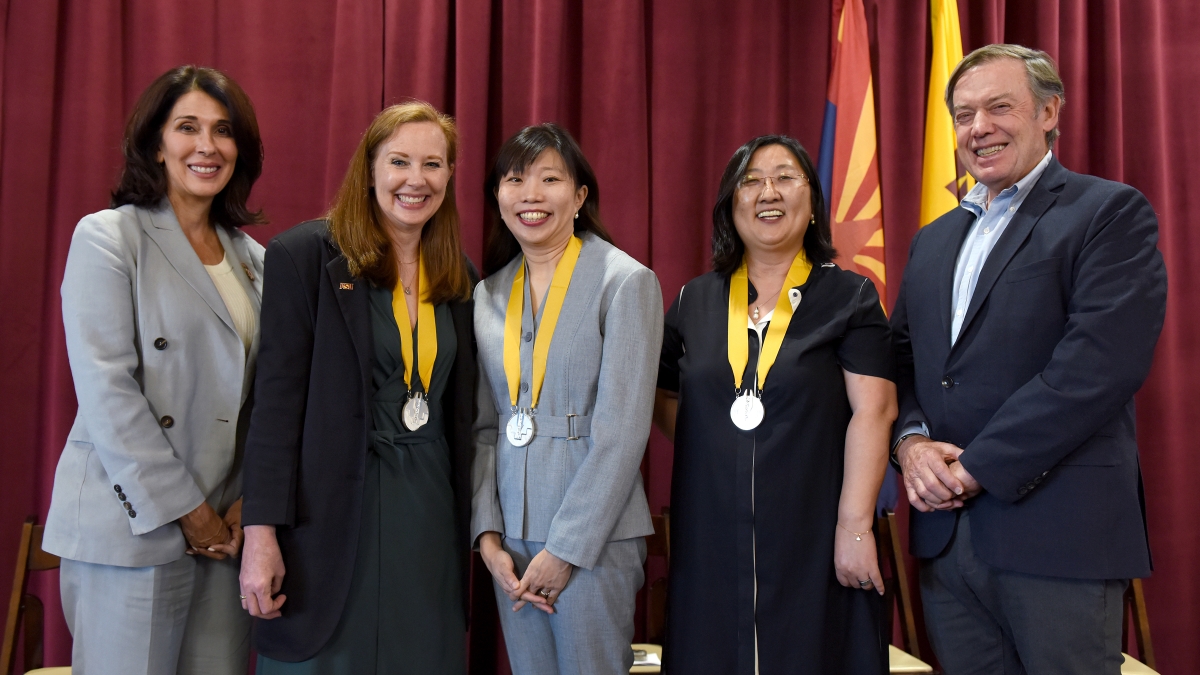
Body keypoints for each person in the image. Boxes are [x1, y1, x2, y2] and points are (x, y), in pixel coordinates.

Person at [891, 44, 1167, 675]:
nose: (978, 127)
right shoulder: (932, 242)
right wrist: (910, 444)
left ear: (1049, 112)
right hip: (946, 546)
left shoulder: (1107, 212)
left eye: (998, 107)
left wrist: (975, 468)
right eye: (963, 115)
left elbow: (1096, 367)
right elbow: (901, 362)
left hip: (1058, 537)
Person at [238, 101, 476, 673]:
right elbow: (274, 407)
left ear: (448, 176)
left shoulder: (459, 273)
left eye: (433, 164)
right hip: (328, 514)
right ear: (369, 169)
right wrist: (259, 535)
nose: (415, 180)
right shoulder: (304, 257)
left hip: (429, 513)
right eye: (399, 161)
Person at [42, 65, 266, 675]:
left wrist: (252, 496)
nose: (206, 146)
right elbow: (107, 388)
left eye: (223, 130)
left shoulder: (256, 260)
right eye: (186, 127)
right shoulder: (110, 237)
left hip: (224, 534)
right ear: (155, 142)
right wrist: (184, 509)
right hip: (134, 526)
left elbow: (267, 396)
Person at [653, 135, 896, 674]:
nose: (769, 191)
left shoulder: (850, 296)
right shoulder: (695, 300)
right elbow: (662, 392)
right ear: (730, 204)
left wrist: (854, 528)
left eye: (786, 177)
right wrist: (719, 443)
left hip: (816, 531)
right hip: (711, 533)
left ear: (812, 203)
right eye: (751, 179)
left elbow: (874, 412)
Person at [472, 123, 663, 674]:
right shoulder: (487, 294)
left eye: (550, 179)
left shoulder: (624, 282)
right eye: (515, 180)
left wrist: (567, 550)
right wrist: (487, 537)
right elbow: (484, 427)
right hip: (510, 543)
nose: (530, 194)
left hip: (593, 541)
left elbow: (624, 433)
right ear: (499, 198)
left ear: (579, 196)